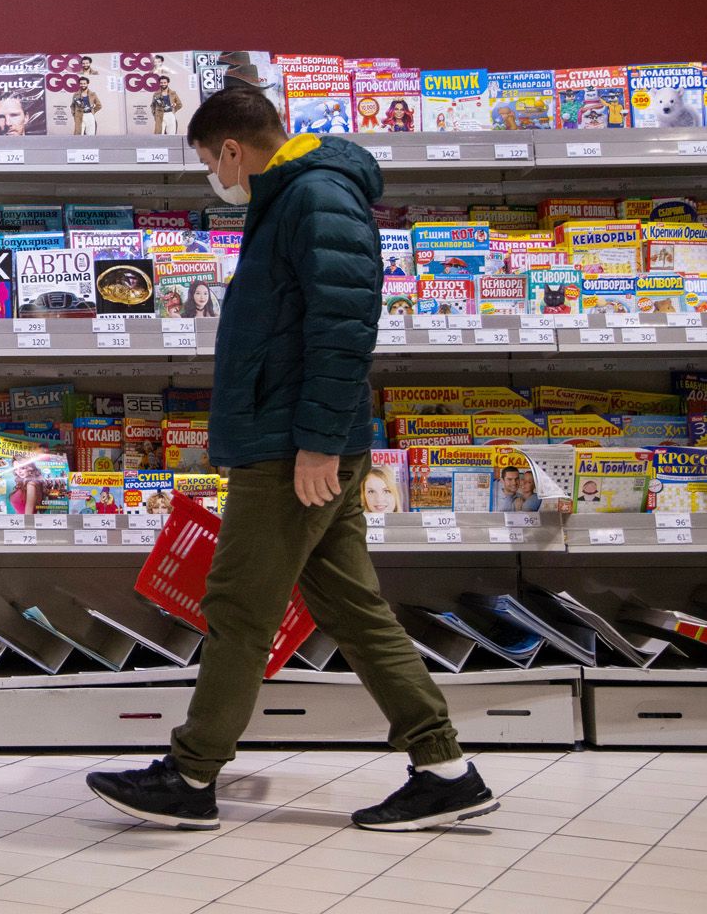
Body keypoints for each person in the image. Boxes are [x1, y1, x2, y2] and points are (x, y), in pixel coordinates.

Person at [87, 82, 497, 833]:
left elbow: (343, 329)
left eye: (209, 163)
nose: (213, 177)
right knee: (351, 609)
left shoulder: (314, 196)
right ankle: (445, 770)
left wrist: (317, 443)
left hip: (291, 449)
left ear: (232, 150)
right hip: (294, 439)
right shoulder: (297, 195)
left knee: (239, 607)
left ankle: (190, 775)